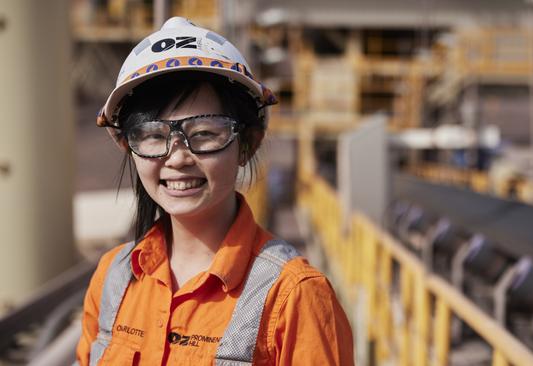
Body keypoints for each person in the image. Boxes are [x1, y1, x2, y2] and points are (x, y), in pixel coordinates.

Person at [75, 17, 354, 365]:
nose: (177, 157)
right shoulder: (113, 277)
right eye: (152, 134)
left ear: (248, 144)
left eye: (205, 133)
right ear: (127, 145)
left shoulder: (295, 296)